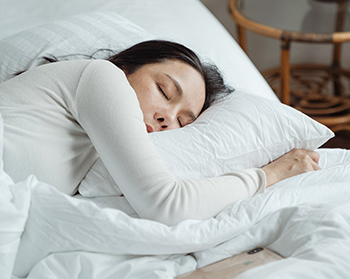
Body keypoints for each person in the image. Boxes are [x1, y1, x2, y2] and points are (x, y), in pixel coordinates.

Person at [0, 40, 320, 225]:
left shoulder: (93, 142)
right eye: (164, 91)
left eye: (183, 121)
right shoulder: (101, 76)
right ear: (126, 66)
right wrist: (271, 174)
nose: (167, 119)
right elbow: (168, 205)